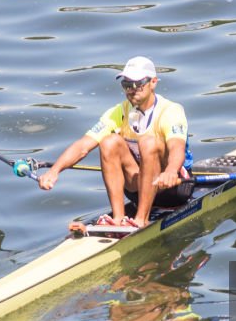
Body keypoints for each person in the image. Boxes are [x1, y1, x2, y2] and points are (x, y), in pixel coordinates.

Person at [39, 56, 193, 228]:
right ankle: (118, 219)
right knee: (109, 141)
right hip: (138, 189)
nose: (132, 90)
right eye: (127, 85)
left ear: (153, 82)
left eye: (138, 84)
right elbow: (83, 146)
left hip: (173, 188)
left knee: (148, 143)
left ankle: (141, 220)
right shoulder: (119, 111)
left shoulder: (170, 111)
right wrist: (54, 171)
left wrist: (171, 171)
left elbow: (176, 147)